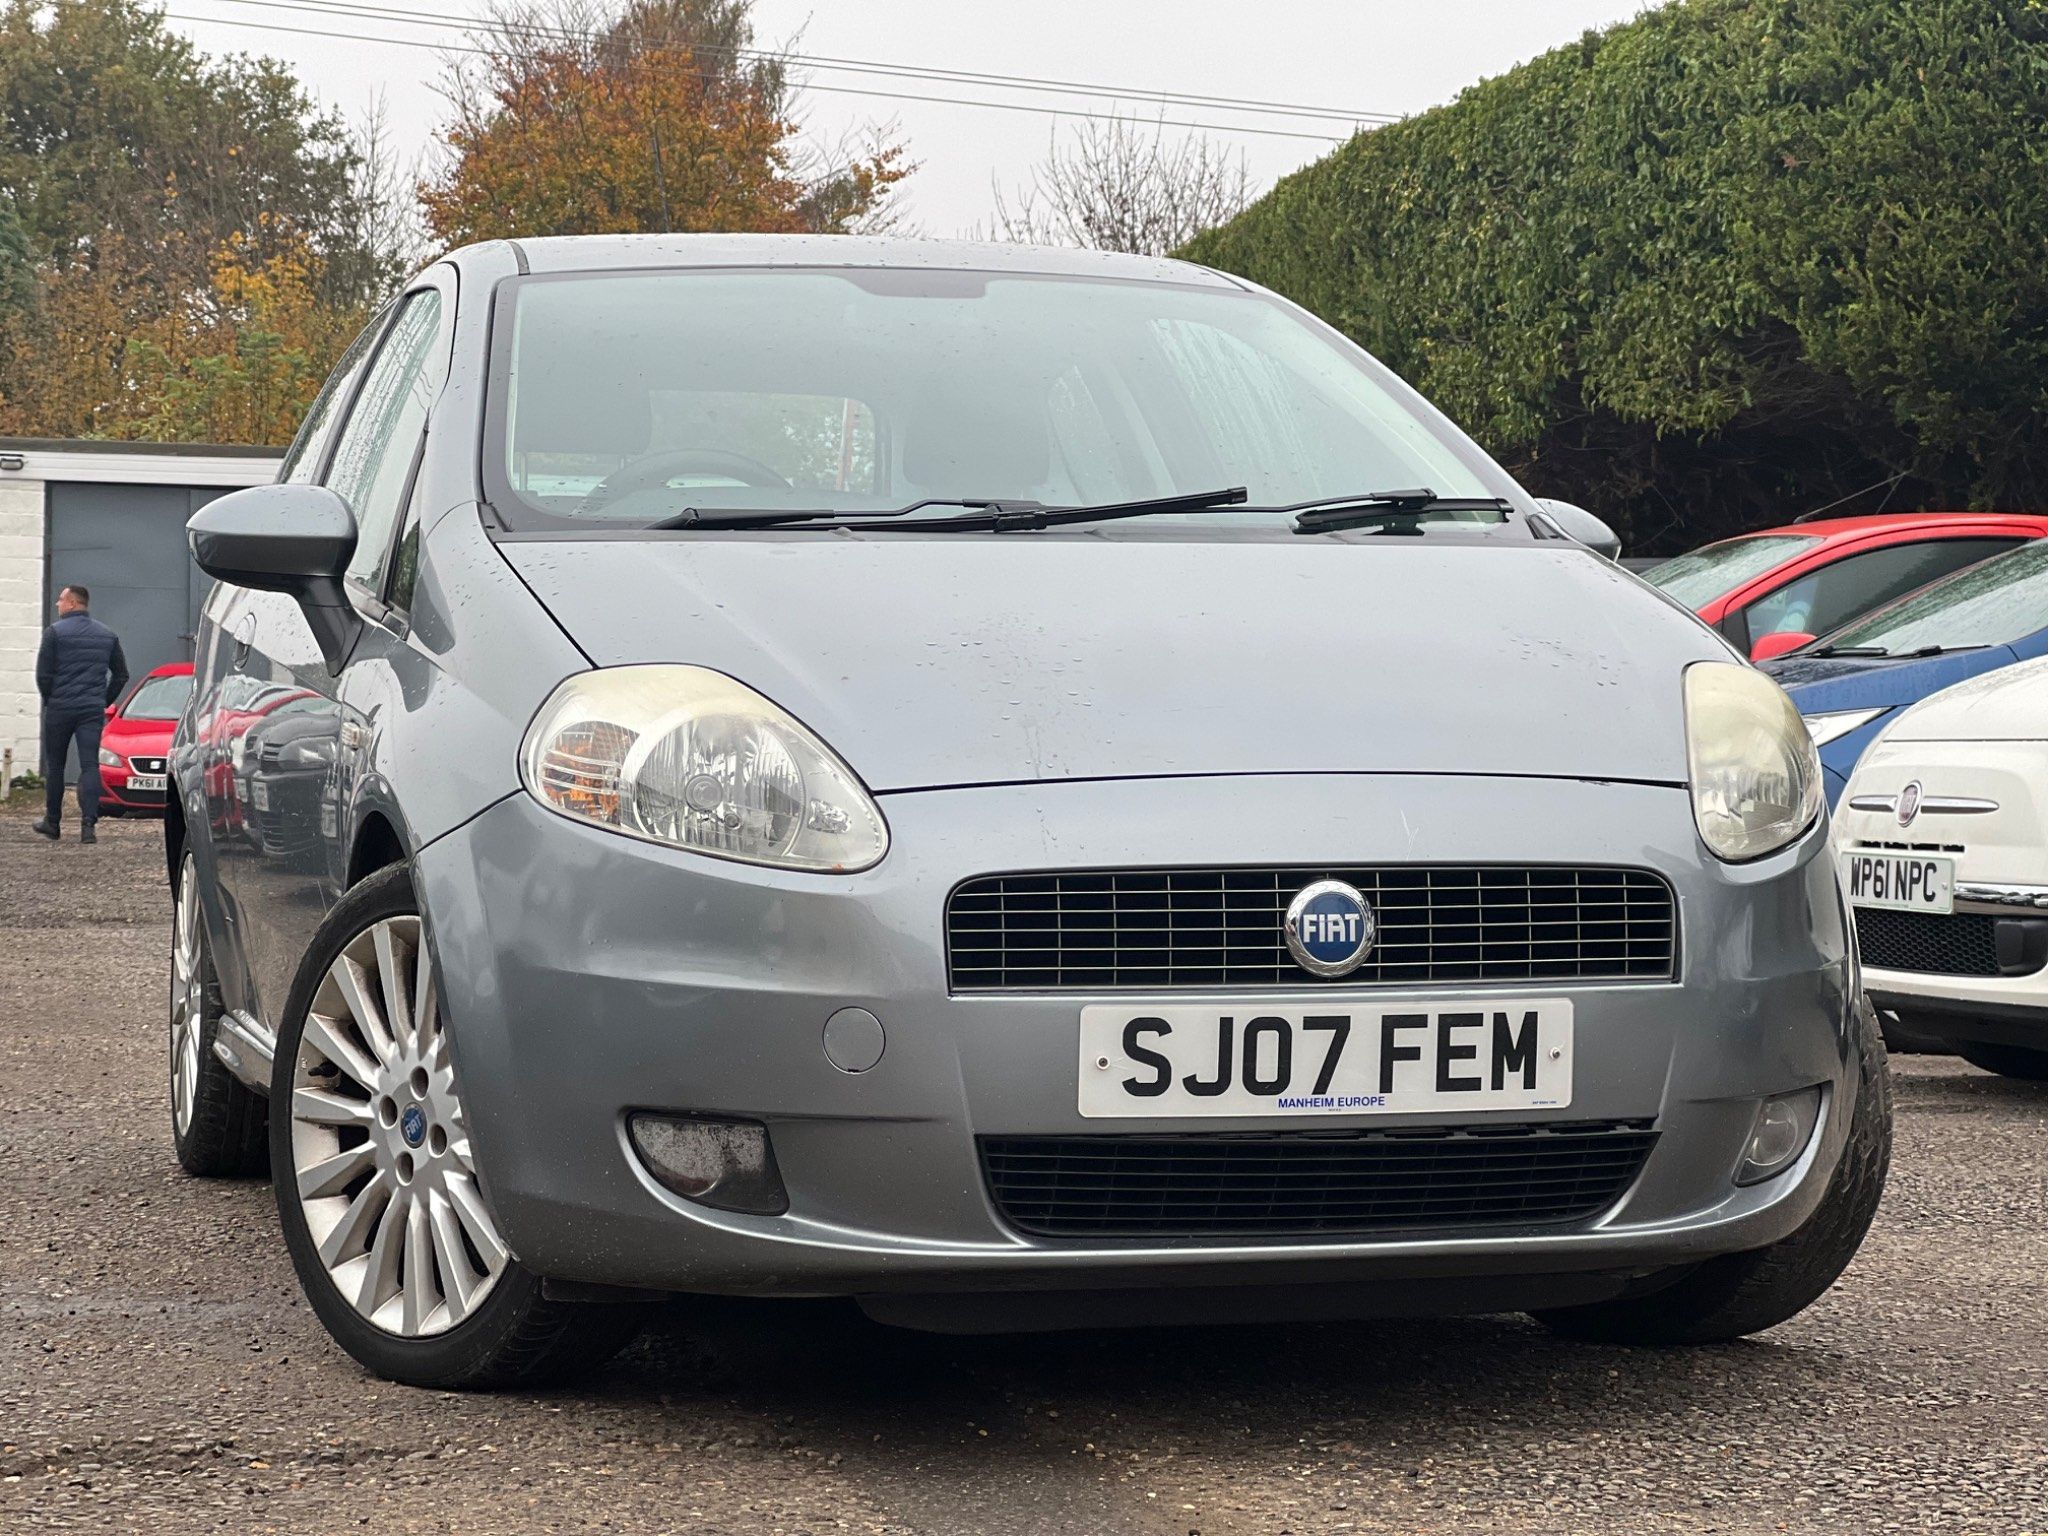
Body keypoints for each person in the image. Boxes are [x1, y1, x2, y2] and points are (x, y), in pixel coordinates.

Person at [33, 585, 129, 845]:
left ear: (73, 603)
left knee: (56, 766)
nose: (57, 604)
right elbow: (121, 675)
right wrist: (102, 700)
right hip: (90, 709)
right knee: (90, 765)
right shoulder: (107, 635)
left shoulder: (54, 633)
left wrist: (50, 699)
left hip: (60, 708)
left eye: (61, 600)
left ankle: (52, 822)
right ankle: (88, 826)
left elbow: (43, 674)